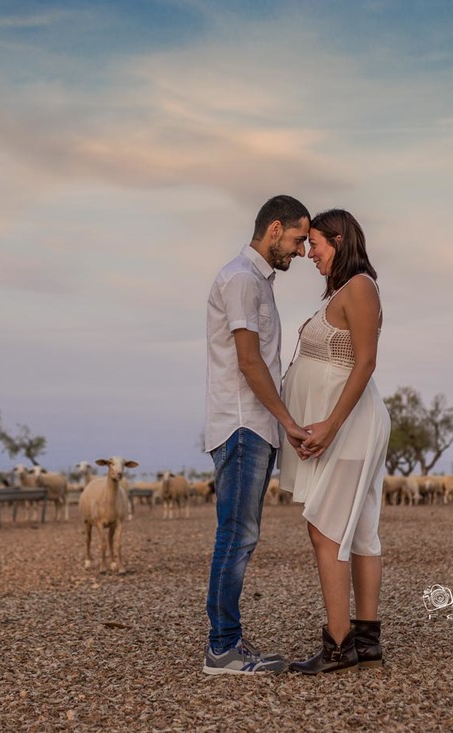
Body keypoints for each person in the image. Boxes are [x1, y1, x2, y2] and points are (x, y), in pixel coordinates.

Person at [202, 194, 312, 675]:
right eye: (297, 238)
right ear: (273, 229)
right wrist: (288, 423)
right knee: (237, 535)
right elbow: (248, 361)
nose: (302, 250)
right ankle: (222, 648)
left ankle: (228, 642)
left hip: (255, 426)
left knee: (242, 535)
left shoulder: (258, 283)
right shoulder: (242, 279)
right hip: (243, 423)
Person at [279, 208, 390, 674]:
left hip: (350, 426)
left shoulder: (360, 287)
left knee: (325, 527)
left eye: (317, 244)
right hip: (343, 426)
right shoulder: (344, 292)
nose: (310, 254)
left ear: (339, 240)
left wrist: (329, 424)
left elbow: (364, 363)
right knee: (360, 530)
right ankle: (365, 640)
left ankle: (338, 645)